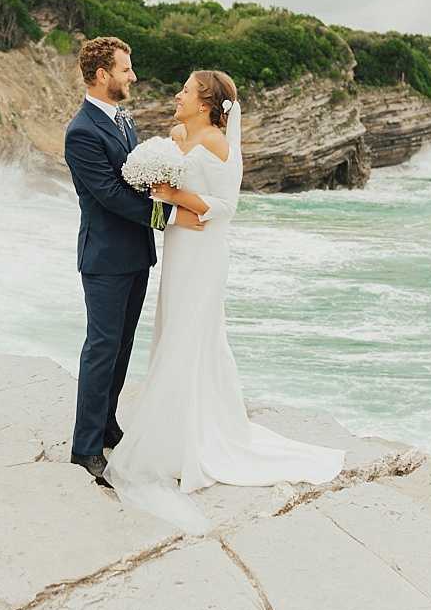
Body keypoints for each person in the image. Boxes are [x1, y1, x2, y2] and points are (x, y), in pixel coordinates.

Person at [103, 69, 347, 534]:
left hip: (204, 252)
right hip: (179, 246)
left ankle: (189, 439)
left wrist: (179, 197)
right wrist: (163, 197)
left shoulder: (218, 143)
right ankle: (174, 430)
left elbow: (227, 206)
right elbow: (170, 186)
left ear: (206, 102)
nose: (177, 94)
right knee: (173, 327)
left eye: (186, 91)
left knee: (192, 335)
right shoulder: (181, 133)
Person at [64, 36, 205, 485]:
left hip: (135, 253)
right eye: (126, 69)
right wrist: (170, 215)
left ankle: (108, 424)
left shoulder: (123, 118)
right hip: (104, 257)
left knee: (122, 347)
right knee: (101, 348)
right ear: (103, 74)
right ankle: (84, 447)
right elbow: (108, 195)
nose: (133, 76)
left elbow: (135, 176)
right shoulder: (81, 131)